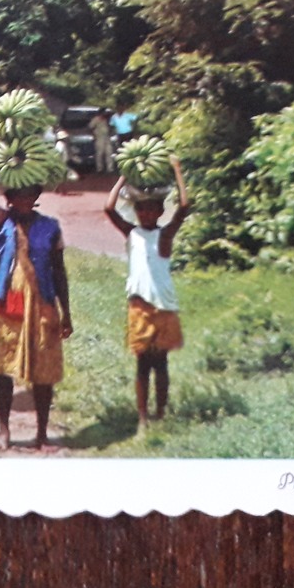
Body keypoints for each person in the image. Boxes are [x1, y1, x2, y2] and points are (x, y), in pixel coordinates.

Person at [0, 131, 73, 451]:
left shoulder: (50, 226)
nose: (24, 200)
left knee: (43, 370)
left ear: (37, 196)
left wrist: (66, 311)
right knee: (3, 365)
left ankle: (42, 433)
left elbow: (59, 270)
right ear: (9, 197)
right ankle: (4, 430)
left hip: (42, 301)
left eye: (30, 195)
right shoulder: (1, 220)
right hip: (10, 297)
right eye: (18, 195)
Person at [104, 158, 189, 431]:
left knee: (161, 363)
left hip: (163, 307)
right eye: (141, 209)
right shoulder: (132, 233)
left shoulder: (165, 235)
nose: (147, 214)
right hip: (139, 307)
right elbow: (109, 208)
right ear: (137, 211)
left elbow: (185, 207)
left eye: (153, 209)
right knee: (142, 364)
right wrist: (123, 176)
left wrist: (177, 170)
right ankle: (142, 416)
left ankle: (160, 412)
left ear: (161, 210)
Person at [91, 108, 114, 174]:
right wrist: (94, 135)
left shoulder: (107, 120)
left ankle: (110, 169)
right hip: (99, 138)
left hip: (107, 138)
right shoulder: (96, 119)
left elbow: (111, 127)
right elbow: (90, 127)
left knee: (109, 153)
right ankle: (99, 169)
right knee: (99, 154)